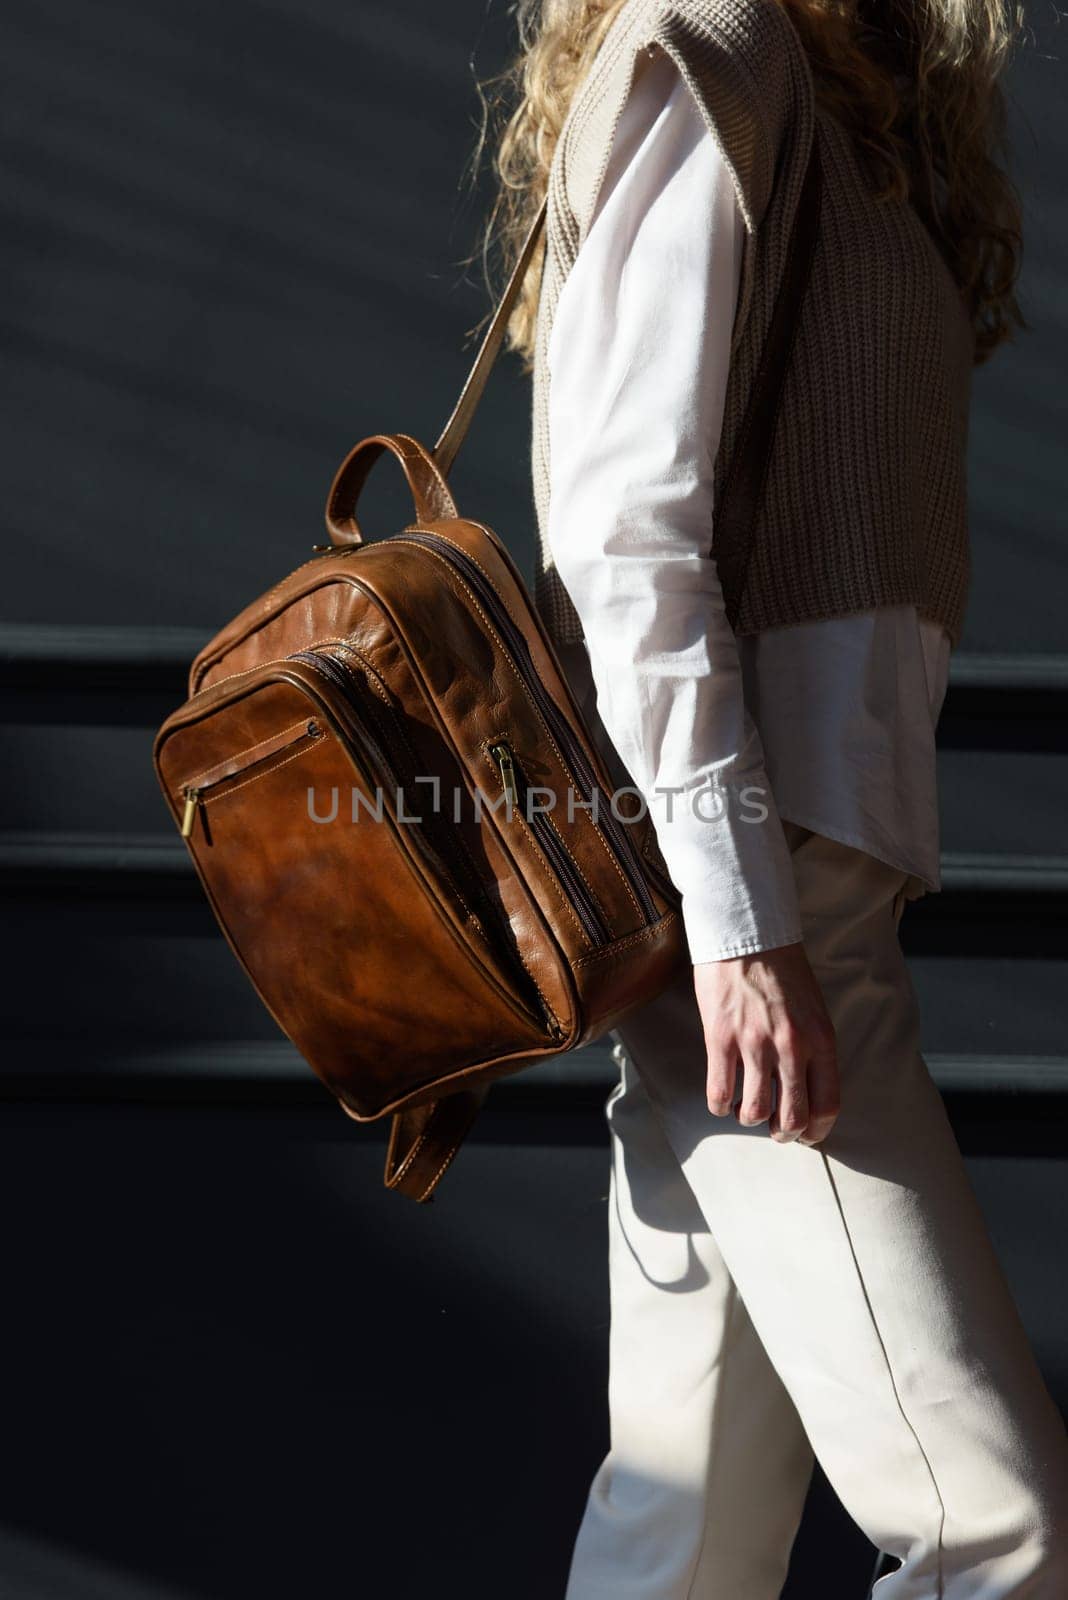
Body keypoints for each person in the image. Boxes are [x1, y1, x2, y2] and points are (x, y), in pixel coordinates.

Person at [475, 0, 1068, 1594]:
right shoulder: (710, 47)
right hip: (754, 888)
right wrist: (742, 930)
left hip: (783, 884)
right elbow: (622, 532)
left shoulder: (840, 78)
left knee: (688, 1527)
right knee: (995, 1533)